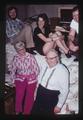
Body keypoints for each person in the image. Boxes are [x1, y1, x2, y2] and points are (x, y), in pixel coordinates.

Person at [31, 49, 70, 116]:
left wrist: (59, 106)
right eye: (47, 58)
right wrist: (36, 91)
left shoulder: (63, 71)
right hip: (40, 92)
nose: (48, 61)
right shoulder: (44, 65)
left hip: (51, 96)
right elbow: (40, 78)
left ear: (57, 58)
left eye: (51, 58)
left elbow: (65, 90)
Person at [9, 41, 40, 115]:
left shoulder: (31, 57)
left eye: (23, 49)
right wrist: (13, 80)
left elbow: (36, 70)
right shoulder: (15, 58)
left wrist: (35, 78)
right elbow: (13, 70)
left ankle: (26, 112)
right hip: (20, 78)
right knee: (19, 94)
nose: (21, 51)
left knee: (29, 96)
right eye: (19, 50)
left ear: (25, 48)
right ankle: (18, 110)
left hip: (31, 78)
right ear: (16, 50)